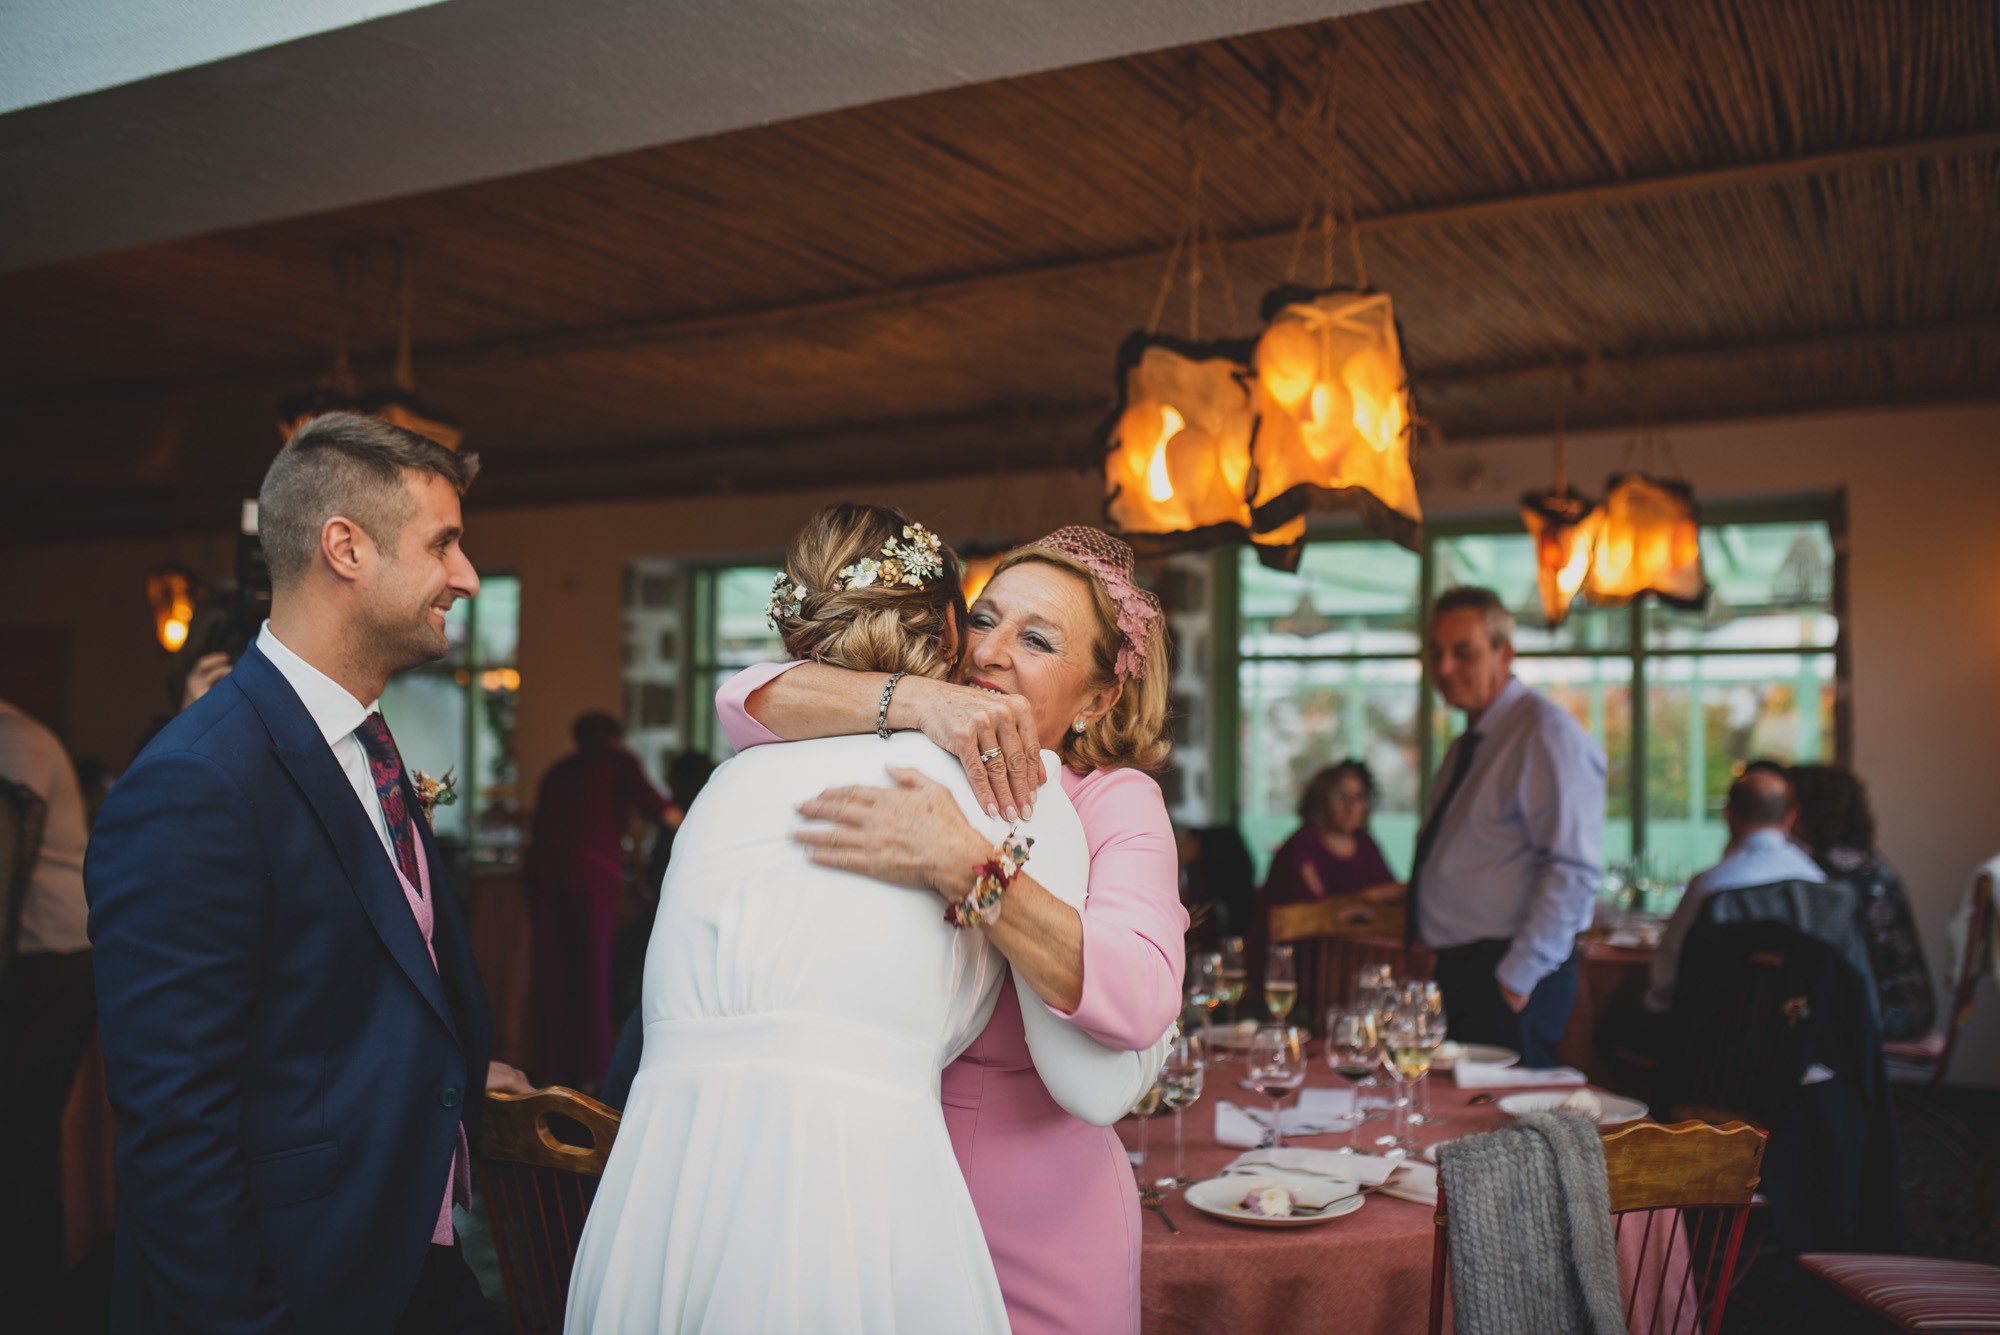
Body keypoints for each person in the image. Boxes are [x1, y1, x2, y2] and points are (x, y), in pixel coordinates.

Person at [566, 506, 1165, 1333]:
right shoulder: (906, 735)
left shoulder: (1107, 801)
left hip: (1034, 1217)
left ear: (1099, 694)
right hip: (847, 1185)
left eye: (1038, 640)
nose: (989, 652)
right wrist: (919, 700)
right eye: (985, 619)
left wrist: (972, 870)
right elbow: (742, 697)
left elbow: (1135, 999)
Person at [85, 412, 528, 1335]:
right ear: (345, 548)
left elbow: (331, 982)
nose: (467, 576)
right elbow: (176, 1130)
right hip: (296, 1284)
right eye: (444, 543)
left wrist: (448, 1065)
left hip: (405, 1253)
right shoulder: (197, 781)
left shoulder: (365, 742)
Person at [1408, 587, 1605, 1068]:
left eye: (1464, 652)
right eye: (1436, 653)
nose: (1445, 668)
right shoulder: (1473, 742)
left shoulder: (1543, 732)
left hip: (1506, 974)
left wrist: (1516, 978)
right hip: (1463, 972)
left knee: (1510, 1135)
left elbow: (1573, 870)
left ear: (1505, 653)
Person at [0, 697, 96, 1329]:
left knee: (25, 1135)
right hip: (38, 965)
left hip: (54, 965)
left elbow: (6, 885)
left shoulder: (15, 744)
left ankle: (31, 1299)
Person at [525, 711, 670, 1086]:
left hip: (542, 871)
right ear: (614, 739)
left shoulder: (560, 770)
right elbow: (661, 810)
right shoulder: (617, 762)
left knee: (552, 967)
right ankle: (594, 1069)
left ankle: (553, 1065)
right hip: (589, 872)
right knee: (594, 966)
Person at [1645, 769, 1826, 1014]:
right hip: (1803, 1029)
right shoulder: (1819, 883)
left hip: (1717, 1036)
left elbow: (1667, 976)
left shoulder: (1711, 886)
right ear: (1790, 818)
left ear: (1729, 815)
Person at [1787, 764, 1936, 1039]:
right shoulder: (1862, 861)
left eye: (1791, 804)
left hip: (1885, 1007)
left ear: (1811, 810)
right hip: (1908, 1002)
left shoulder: (1832, 872)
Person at [1263, 760, 1400, 906]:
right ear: (1321, 801)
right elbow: (1317, 910)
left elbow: (1392, 891)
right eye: (1341, 798)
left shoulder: (1366, 843)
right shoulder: (1302, 845)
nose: (1351, 808)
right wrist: (1367, 897)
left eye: (1358, 798)